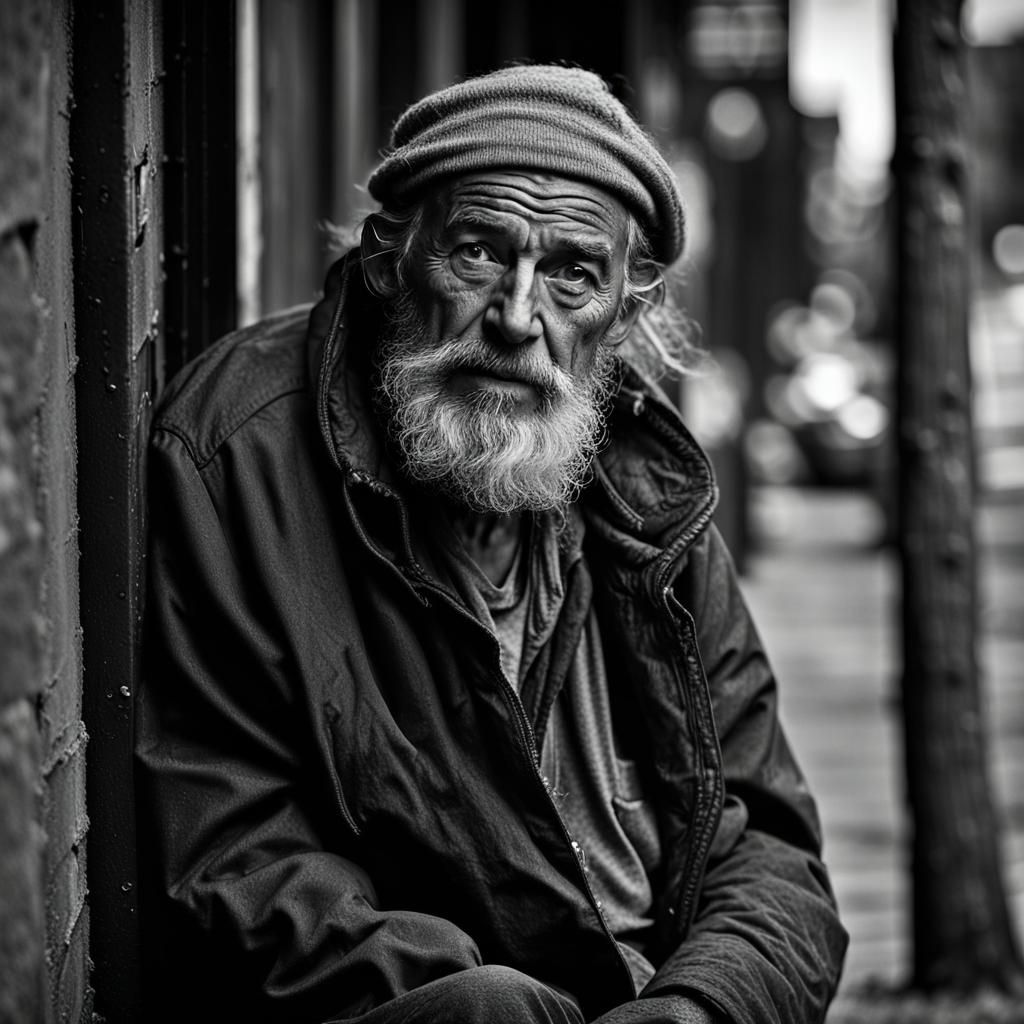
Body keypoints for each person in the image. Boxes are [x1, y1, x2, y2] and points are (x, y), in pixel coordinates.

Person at [137, 63, 847, 1024]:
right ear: (392, 257)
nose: (519, 319)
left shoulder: (645, 487)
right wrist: (490, 1009)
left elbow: (770, 847)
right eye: (478, 252)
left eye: (572, 275)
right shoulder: (239, 453)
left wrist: (700, 1007)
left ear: (625, 318)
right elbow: (229, 854)